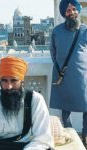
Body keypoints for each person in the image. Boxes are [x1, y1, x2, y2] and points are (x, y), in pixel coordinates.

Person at [0, 56, 54, 150]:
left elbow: (42, 139)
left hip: (26, 146)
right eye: (4, 81)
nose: (9, 86)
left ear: (22, 81)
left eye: (13, 80)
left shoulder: (35, 99)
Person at [50, 0, 87, 148]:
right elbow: (53, 52)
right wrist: (61, 67)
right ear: (64, 14)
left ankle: (85, 134)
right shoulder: (56, 31)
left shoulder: (85, 30)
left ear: (78, 11)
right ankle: (68, 131)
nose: (71, 12)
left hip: (82, 75)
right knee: (65, 106)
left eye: (73, 9)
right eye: (68, 10)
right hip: (62, 75)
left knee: (86, 105)